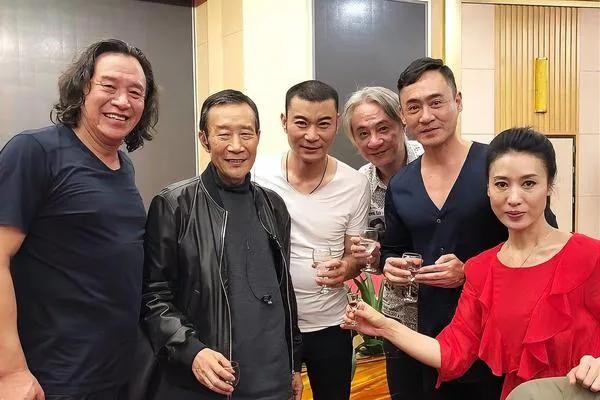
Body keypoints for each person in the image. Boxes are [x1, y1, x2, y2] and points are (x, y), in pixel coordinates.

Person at [343, 127, 600, 400]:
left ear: (549, 185)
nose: (514, 198)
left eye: (528, 183)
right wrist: (382, 325)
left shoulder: (589, 256)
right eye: (501, 184)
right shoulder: (481, 269)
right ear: (487, 188)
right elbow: (452, 353)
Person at [0, 39, 158, 400]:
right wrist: (10, 371)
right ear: (82, 87)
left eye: (136, 92)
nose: (123, 101)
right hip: (52, 378)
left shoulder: (123, 165)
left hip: (116, 375)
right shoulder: (34, 151)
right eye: (109, 86)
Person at [141, 89, 302, 400]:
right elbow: (153, 297)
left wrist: (294, 363)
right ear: (204, 139)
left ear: (258, 137)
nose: (236, 146)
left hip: (273, 379)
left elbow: (284, 291)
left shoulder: (273, 206)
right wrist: (192, 351)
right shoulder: (174, 205)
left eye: (246, 134)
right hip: (210, 382)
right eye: (224, 134)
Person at [253, 80, 370, 400]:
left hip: (331, 324)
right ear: (284, 122)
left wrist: (345, 267)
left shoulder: (355, 184)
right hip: (272, 324)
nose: (312, 135)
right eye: (301, 123)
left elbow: (355, 256)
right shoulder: (258, 175)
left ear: (337, 124)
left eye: (323, 124)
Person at [341, 86, 423, 398]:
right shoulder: (359, 184)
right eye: (363, 133)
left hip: (448, 307)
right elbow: (373, 257)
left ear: (402, 121)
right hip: (398, 313)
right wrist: (372, 258)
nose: (374, 141)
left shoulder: (432, 162)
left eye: (383, 128)